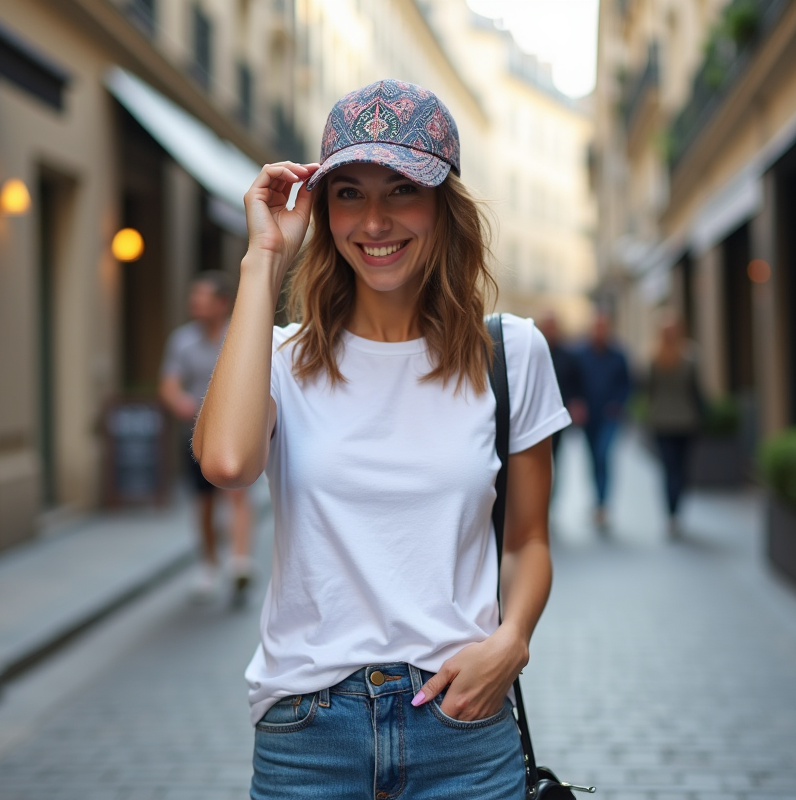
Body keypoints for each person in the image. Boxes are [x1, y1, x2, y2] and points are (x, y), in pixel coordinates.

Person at [193, 79, 569, 799]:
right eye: (349, 193)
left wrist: (512, 642)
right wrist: (262, 259)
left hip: (461, 723)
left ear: (442, 206)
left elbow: (528, 540)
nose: (374, 221)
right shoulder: (279, 358)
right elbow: (228, 461)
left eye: (401, 190)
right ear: (323, 208)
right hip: (308, 734)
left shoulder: (511, 353)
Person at [160, 271, 253, 601]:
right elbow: (169, 385)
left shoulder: (240, 335)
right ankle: (209, 565)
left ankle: (240, 563)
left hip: (233, 433)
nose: (195, 305)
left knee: (237, 495)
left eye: (202, 299)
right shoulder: (182, 341)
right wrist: (180, 402)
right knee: (203, 504)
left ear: (222, 303)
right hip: (196, 436)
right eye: (193, 299)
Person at [646, 315, 706, 538]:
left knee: (670, 469)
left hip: (666, 421)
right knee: (680, 469)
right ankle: (675, 511)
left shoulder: (656, 357)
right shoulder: (687, 356)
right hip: (683, 421)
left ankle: (672, 514)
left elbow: (649, 392)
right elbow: (696, 392)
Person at [572, 313, 630, 530]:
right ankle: (597, 500)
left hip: (609, 416)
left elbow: (627, 384)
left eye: (603, 327)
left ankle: (603, 504)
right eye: (596, 327)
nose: (599, 331)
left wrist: (618, 403)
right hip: (589, 418)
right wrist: (577, 403)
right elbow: (574, 382)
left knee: (603, 454)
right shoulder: (580, 354)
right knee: (593, 458)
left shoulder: (618, 355)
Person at [535, 310, 578, 479]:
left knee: (555, 456)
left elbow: (575, 383)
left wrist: (575, 403)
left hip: (558, 415)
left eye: (552, 327)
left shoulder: (567, 356)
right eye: (547, 326)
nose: (549, 330)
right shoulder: (533, 352)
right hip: (537, 416)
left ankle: (551, 494)